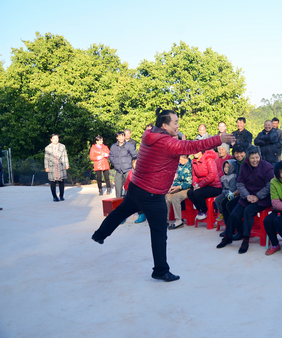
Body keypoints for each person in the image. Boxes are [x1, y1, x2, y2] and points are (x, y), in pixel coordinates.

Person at [92, 108, 234, 282]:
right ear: (165, 126)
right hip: (152, 194)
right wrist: (219, 139)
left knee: (121, 211)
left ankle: (100, 234)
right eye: (175, 122)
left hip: (136, 187)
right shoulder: (166, 143)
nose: (178, 125)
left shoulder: (149, 135)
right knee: (159, 233)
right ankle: (160, 270)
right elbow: (192, 146)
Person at [217, 146, 274, 254]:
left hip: (262, 198)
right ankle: (227, 237)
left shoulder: (267, 167)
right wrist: (247, 196)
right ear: (248, 158)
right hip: (247, 196)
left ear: (260, 156)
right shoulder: (244, 166)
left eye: (257, 157)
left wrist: (257, 196)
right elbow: (240, 183)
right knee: (234, 214)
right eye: (252, 158)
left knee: (248, 211)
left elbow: (269, 185)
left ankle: (246, 239)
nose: (255, 160)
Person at [187, 149, 222, 220]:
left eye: (197, 151)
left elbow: (212, 175)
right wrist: (195, 184)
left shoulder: (209, 159)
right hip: (202, 186)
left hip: (214, 186)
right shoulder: (194, 161)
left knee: (197, 193)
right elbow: (194, 176)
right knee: (190, 193)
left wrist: (200, 185)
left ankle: (204, 211)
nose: (194, 153)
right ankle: (200, 210)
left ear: (201, 151)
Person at [219, 144, 246, 228]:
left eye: (241, 152)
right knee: (224, 202)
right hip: (238, 190)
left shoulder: (246, 163)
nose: (239, 155)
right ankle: (229, 228)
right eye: (236, 153)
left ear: (245, 153)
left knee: (229, 204)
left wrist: (237, 191)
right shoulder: (237, 163)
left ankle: (237, 228)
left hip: (245, 192)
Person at [165, 155, 193, 230]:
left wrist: (180, 187)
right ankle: (165, 220)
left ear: (186, 158)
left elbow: (190, 182)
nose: (179, 161)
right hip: (179, 187)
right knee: (167, 196)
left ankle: (178, 220)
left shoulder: (191, 165)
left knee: (176, 197)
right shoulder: (180, 166)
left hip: (188, 188)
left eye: (181, 159)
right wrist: (174, 186)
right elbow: (177, 179)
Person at [109, 131, 138, 199]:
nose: (121, 138)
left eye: (122, 136)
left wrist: (131, 164)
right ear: (117, 137)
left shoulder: (129, 146)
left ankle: (128, 201)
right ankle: (118, 202)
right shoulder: (113, 147)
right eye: (119, 136)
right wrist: (115, 163)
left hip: (127, 169)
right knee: (118, 188)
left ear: (124, 137)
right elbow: (111, 156)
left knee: (128, 188)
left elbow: (135, 156)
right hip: (118, 170)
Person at [44, 134, 69, 201]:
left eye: (57, 138)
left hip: (61, 165)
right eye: (54, 138)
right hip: (52, 166)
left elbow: (65, 156)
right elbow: (46, 158)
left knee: (61, 181)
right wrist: (46, 167)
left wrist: (66, 164)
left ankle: (61, 196)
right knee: (53, 182)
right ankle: (54, 196)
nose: (55, 140)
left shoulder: (62, 146)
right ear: (51, 139)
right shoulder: (47, 148)